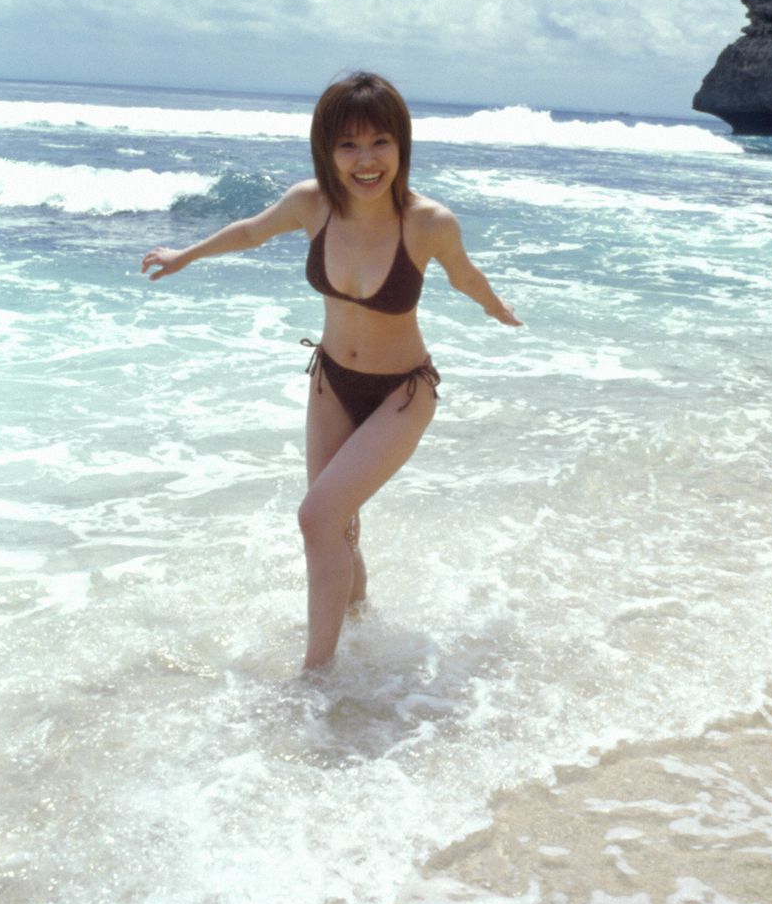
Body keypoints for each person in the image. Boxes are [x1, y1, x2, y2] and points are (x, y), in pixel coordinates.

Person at [141, 72, 521, 669]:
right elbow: (251, 231)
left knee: (317, 516)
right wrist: (184, 256)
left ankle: (315, 676)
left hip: (402, 394)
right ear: (326, 149)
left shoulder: (429, 223)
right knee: (338, 528)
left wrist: (494, 307)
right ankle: (360, 627)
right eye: (348, 145)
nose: (366, 160)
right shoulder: (311, 204)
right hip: (332, 383)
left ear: (401, 144)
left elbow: (464, 275)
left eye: (380, 142)